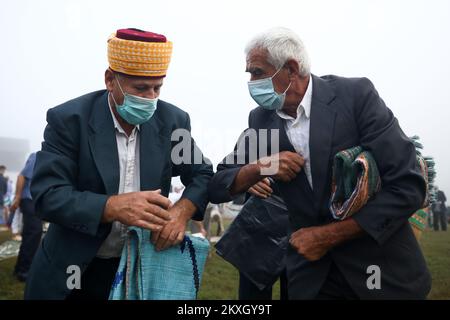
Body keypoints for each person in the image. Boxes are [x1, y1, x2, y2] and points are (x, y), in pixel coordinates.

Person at [208, 27, 431, 299]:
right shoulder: (261, 120)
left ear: (290, 68)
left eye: (257, 72)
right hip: (313, 281)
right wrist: (262, 167)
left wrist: (326, 237)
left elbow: (408, 186)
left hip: (380, 273)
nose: (251, 82)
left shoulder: (355, 97)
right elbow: (219, 184)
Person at [25, 28, 213, 300]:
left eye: (157, 87)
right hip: (74, 268)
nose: (150, 98)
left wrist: (182, 211)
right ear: (110, 80)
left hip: (134, 265)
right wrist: (111, 206)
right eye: (140, 88)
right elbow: (48, 195)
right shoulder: (69, 121)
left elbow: (202, 174)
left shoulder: (172, 123)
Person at [9, 153, 43, 281]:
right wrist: (17, 197)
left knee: (30, 234)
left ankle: (20, 269)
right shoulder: (37, 156)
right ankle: (24, 271)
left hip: (33, 200)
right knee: (34, 232)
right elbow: (22, 176)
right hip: (28, 199)